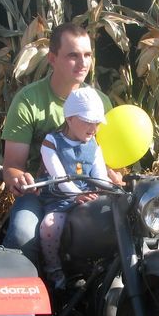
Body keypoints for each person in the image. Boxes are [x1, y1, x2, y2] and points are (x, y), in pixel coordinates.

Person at [1, 23, 115, 265]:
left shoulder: (100, 102)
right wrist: (19, 180)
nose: (82, 63)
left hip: (88, 190)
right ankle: (28, 297)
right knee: (23, 235)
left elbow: (106, 159)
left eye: (87, 55)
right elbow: (12, 166)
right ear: (52, 59)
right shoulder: (28, 100)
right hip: (42, 193)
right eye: (72, 55)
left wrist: (114, 176)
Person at [38, 87, 109, 290]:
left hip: (88, 199)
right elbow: (59, 177)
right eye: (88, 121)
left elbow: (100, 177)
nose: (93, 127)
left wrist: (113, 190)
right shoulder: (52, 143)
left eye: (97, 122)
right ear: (69, 119)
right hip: (61, 200)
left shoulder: (94, 144)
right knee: (50, 227)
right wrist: (76, 194)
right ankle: (54, 271)